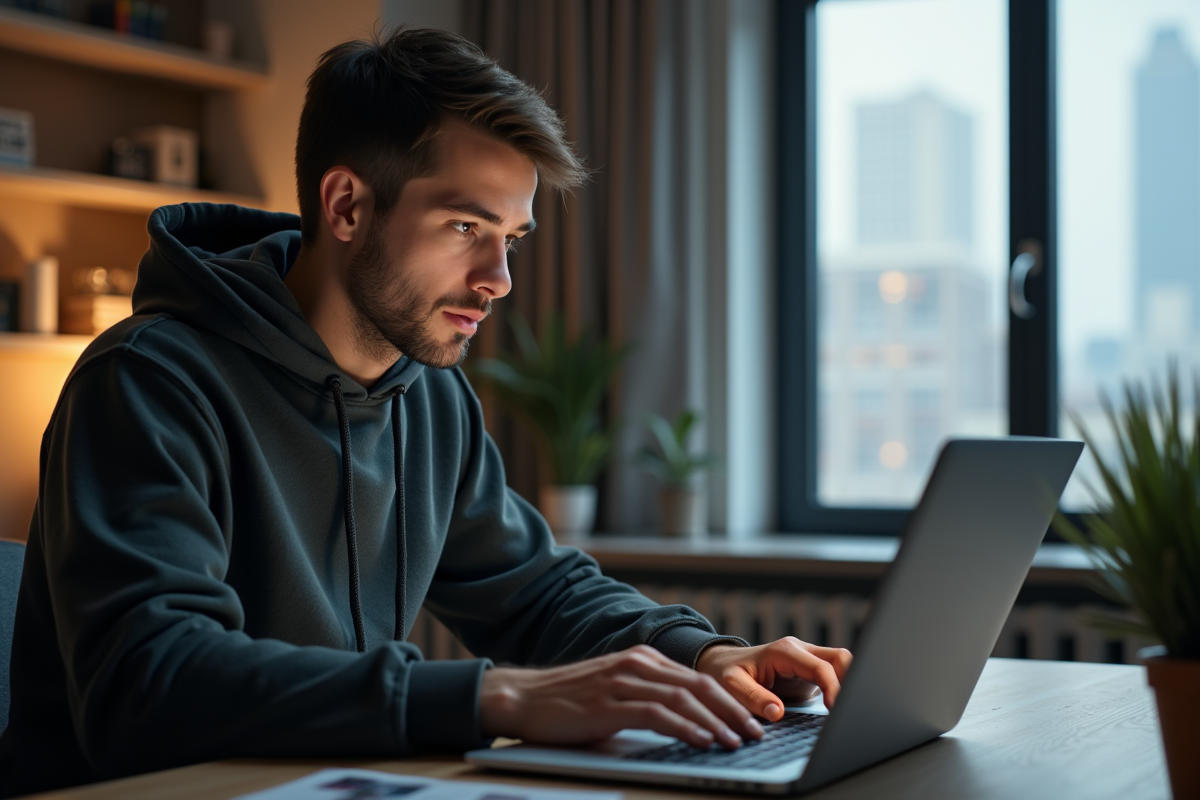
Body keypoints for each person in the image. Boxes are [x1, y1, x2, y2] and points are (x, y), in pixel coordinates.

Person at [0, 27, 851, 797]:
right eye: (463, 227)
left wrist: (704, 655)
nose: (498, 280)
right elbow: (149, 683)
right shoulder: (147, 381)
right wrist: (497, 695)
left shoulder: (429, 391)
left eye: (510, 239)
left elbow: (536, 592)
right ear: (345, 207)